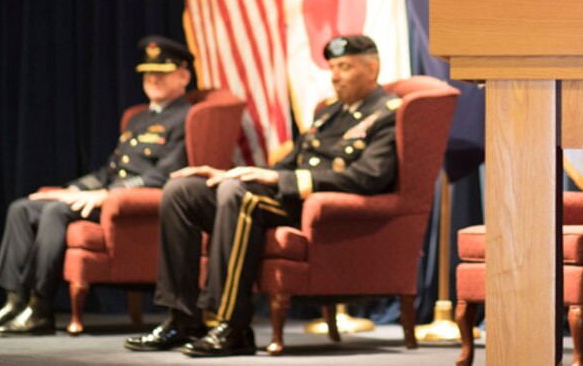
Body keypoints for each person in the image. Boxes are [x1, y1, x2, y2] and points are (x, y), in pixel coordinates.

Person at [125, 34, 400, 357]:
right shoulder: (329, 113)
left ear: (372, 69)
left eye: (345, 67)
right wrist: (230, 173)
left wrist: (277, 179)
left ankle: (232, 324)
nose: (335, 76)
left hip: (320, 208)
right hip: (288, 196)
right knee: (181, 191)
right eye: (333, 68)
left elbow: (368, 177)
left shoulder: (388, 112)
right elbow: (287, 162)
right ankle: (182, 319)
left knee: (240, 196)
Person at [0, 36, 195, 336]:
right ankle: (14, 301)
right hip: (104, 196)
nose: (152, 78)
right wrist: (74, 189)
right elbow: (109, 170)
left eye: (161, 72)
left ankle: (40, 307)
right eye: (147, 71)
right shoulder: (138, 117)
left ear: (183, 75)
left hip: (128, 206)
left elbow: (166, 174)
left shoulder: (188, 117)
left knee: (53, 213)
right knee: (22, 208)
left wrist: (109, 194)